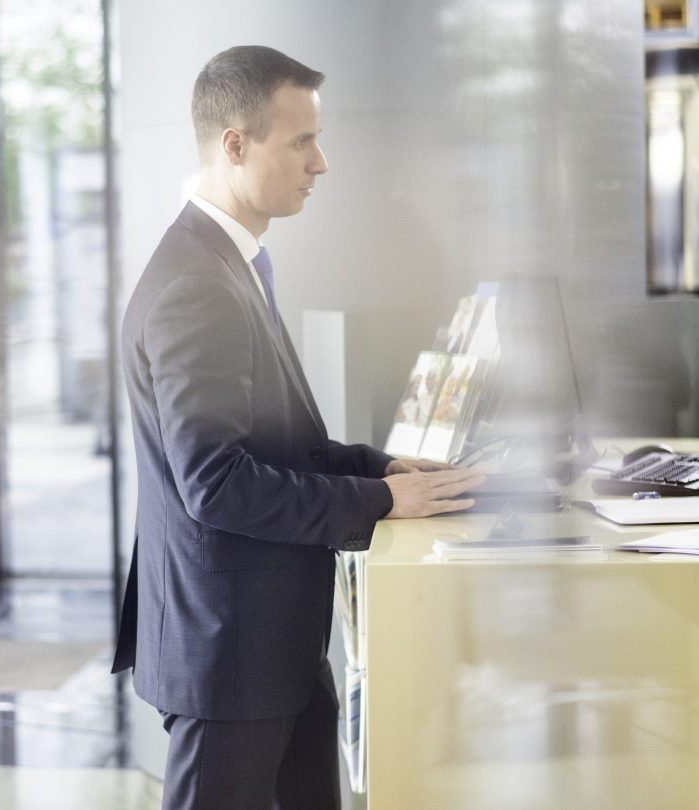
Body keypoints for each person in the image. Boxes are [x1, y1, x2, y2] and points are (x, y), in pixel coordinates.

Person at [113, 45, 484, 809]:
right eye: (301, 141)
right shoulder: (198, 286)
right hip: (231, 654)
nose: (321, 163)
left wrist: (378, 468)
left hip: (271, 643)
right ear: (235, 146)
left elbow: (269, 444)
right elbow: (217, 484)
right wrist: (383, 502)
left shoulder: (231, 263)